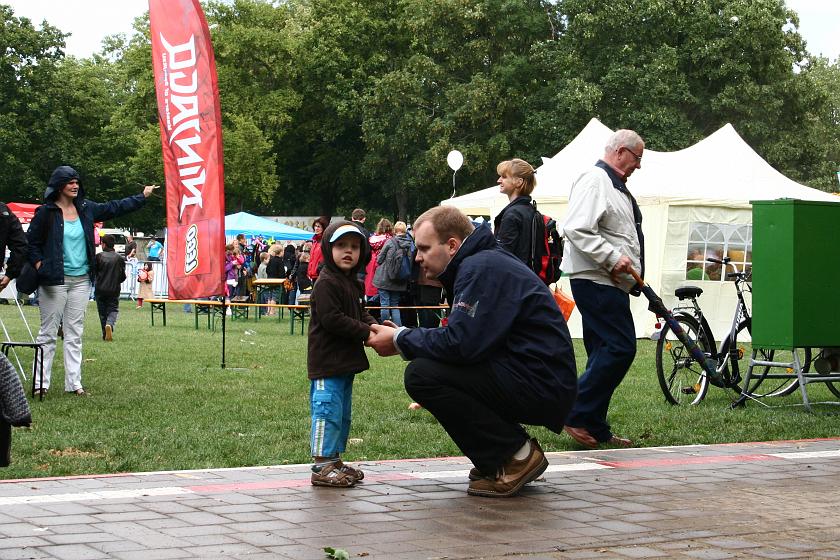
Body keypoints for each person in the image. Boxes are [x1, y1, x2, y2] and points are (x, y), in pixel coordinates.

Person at [366, 206, 578, 498]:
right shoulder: (482, 263)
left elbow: (461, 344)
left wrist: (401, 338)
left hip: (540, 383)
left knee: (423, 375)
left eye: (425, 248)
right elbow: (469, 342)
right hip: (540, 378)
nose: (417, 257)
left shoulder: (480, 268)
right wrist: (407, 338)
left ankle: (515, 457)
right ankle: (504, 457)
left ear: (452, 245)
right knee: (431, 368)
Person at [27, 165, 153, 396]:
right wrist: (39, 265)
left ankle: (74, 384)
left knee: (75, 332)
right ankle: (40, 384)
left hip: (82, 280)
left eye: (77, 181)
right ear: (58, 186)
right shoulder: (46, 212)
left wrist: (141, 197)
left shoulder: (85, 209)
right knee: (48, 332)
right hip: (54, 280)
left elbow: (114, 207)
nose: (75, 185)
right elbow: (31, 244)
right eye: (69, 182)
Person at [560, 129, 645, 450]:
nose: (639, 166)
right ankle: (576, 413)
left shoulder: (612, 184)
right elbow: (576, 227)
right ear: (622, 152)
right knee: (620, 348)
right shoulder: (596, 179)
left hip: (606, 279)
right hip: (597, 278)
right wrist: (613, 257)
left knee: (601, 352)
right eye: (638, 158)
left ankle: (594, 426)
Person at [307, 221, 375, 487]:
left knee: (341, 414)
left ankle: (334, 460)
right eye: (341, 246)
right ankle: (321, 465)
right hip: (327, 363)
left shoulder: (353, 284)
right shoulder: (326, 283)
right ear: (328, 249)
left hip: (345, 363)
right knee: (326, 411)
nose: (348, 251)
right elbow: (332, 319)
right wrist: (367, 334)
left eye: (355, 247)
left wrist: (376, 326)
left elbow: (360, 314)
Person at [493, 158, 538, 265]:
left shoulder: (513, 214)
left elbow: (503, 256)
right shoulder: (531, 210)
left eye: (504, 177)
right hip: (531, 276)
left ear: (519, 182)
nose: (499, 180)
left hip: (514, 277)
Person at [372, 221, 412, 326]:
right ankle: (397, 329)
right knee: (395, 305)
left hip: (385, 277)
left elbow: (380, 259)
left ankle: (385, 327)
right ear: (404, 231)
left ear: (395, 230)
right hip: (399, 279)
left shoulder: (390, 242)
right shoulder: (409, 244)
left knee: (384, 304)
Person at [94, 235, 126, 341]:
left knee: (102, 312)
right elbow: (122, 276)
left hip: (100, 289)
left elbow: (94, 272)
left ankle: (105, 333)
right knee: (113, 309)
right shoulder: (119, 258)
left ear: (104, 244)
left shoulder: (98, 256)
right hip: (114, 289)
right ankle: (110, 324)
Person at [0, 202, 29, 292]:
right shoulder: (3, 210)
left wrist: (10, 273)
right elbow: (20, 244)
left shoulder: (3, 211)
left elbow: (20, 245)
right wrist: (10, 274)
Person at [307, 216, 330, 282]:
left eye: (318, 226)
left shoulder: (325, 241)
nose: (316, 228)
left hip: (321, 275)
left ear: (323, 228)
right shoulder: (315, 242)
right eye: (315, 226)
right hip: (313, 275)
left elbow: (327, 258)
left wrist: (320, 270)